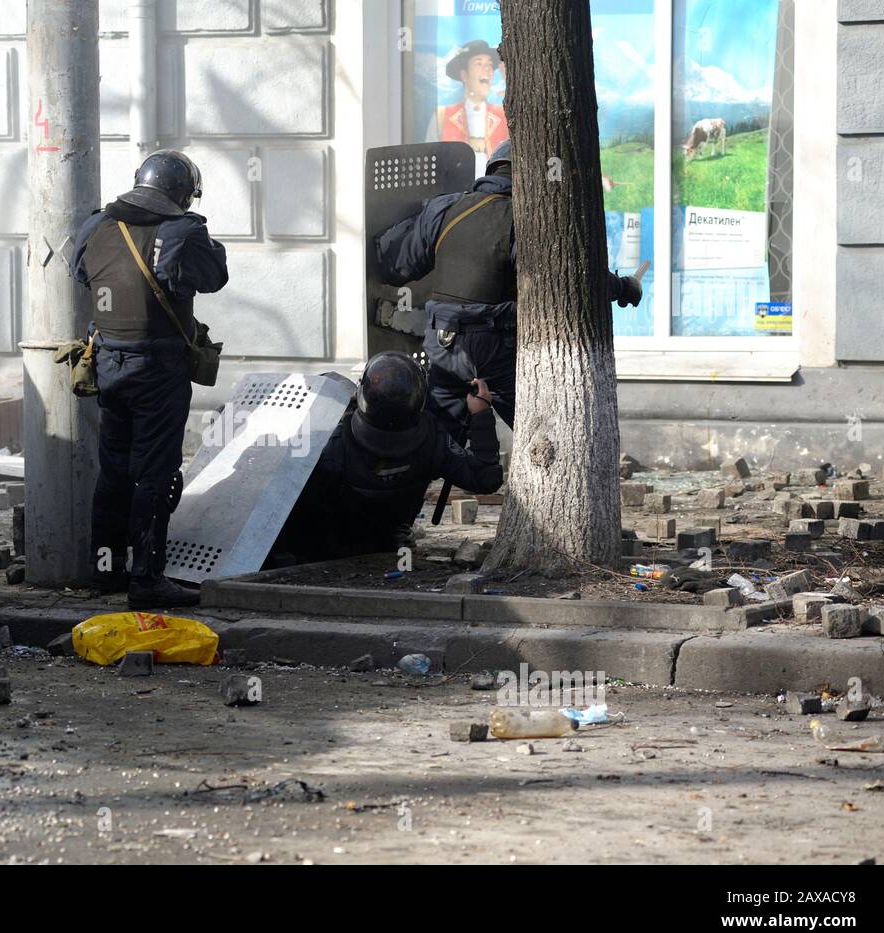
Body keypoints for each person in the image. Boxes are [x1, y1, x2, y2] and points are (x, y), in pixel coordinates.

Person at [375, 139, 644, 479]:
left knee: (427, 443)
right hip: (497, 353)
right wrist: (622, 287)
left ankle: (399, 512)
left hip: (441, 347)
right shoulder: (530, 225)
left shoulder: (445, 209)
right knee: (551, 442)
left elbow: (398, 263)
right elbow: (574, 280)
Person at [70, 149, 228, 610]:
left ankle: (105, 570)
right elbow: (214, 276)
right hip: (158, 370)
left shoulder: (95, 224)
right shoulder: (183, 230)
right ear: (181, 193)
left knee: (114, 468)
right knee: (154, 474)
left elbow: (81, 272)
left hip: (107, 361)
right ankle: (147, 578)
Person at [272, 353, 503, 562]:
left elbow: (286, 508)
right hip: (386, 545)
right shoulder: (432, 441)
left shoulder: (333, 446)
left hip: (327, 550)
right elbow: (485, 478)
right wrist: (481, 413)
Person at [427, 39, 509, 179]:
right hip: (455, 196)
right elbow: (429, 164)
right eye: (479, 63)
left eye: (489, 64)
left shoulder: (504, 115)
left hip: (495, 195)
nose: (487, 69)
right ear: (464, 75)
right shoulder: (443, 115)